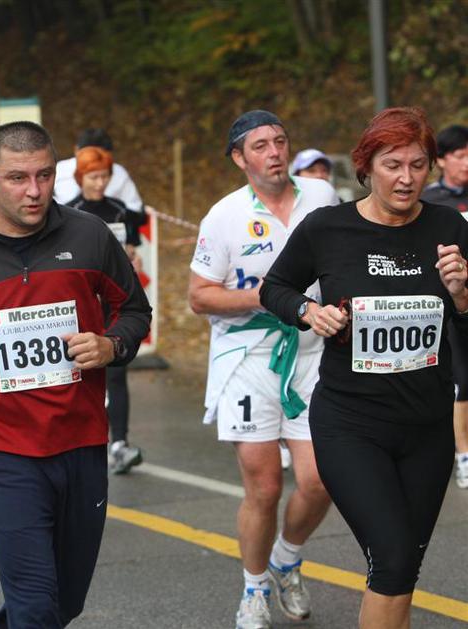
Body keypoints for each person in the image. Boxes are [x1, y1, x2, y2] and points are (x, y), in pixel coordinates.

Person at [0, 122, 151, 627]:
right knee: (35, 603)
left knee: (63, 603)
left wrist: (111, 345)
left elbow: (134, 311)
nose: (34, 191)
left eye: (44, 175)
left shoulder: (89, 236)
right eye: (17, 178)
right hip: (1, 446)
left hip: (80, 439)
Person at [260, 106, 468, 629]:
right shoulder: (327, 228)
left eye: (417, 165)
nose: (406, 178)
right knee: (393, 558)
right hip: (351, 424)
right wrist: (308, 311)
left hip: (427, 427)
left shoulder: (449, 227)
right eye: (392, 165)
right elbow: (275, 288)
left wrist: (463, 297)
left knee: (402, 569)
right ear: (366, 167)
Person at [188, 110, 338, 628]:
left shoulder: (321, 196)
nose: (274, 152)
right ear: (239, 158)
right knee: (265, 487)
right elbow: (199, 297)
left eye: (280, 141)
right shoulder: (224, 216)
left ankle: (286, 559)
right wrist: (273, 296)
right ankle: (253, 590)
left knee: (321, 479)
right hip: (248, 356)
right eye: (260, 145)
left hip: (313, 353)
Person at [66, 146, 145, 474]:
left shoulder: (119, 210)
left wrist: (131, 257)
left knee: (116, 369)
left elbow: (133, 249)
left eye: (104, 177)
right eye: (93, 177)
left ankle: (120, 443)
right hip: (83, 304)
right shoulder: (69, 212)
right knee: (81, 373)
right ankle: (79, 441)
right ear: (80, 178)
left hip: (114, 302)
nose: (99, 183)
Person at [421, 123, 468, 491]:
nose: (467, 163)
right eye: (460, 156)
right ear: (441, 160)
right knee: (462, 377)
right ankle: (463, 454)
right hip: (450, 300)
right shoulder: (430, 200)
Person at [53, 128, 144, 213]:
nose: (100, 183)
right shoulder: (59, 170)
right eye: (89, 156)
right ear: (76, 150)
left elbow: (135, 207)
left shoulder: (119, 173)